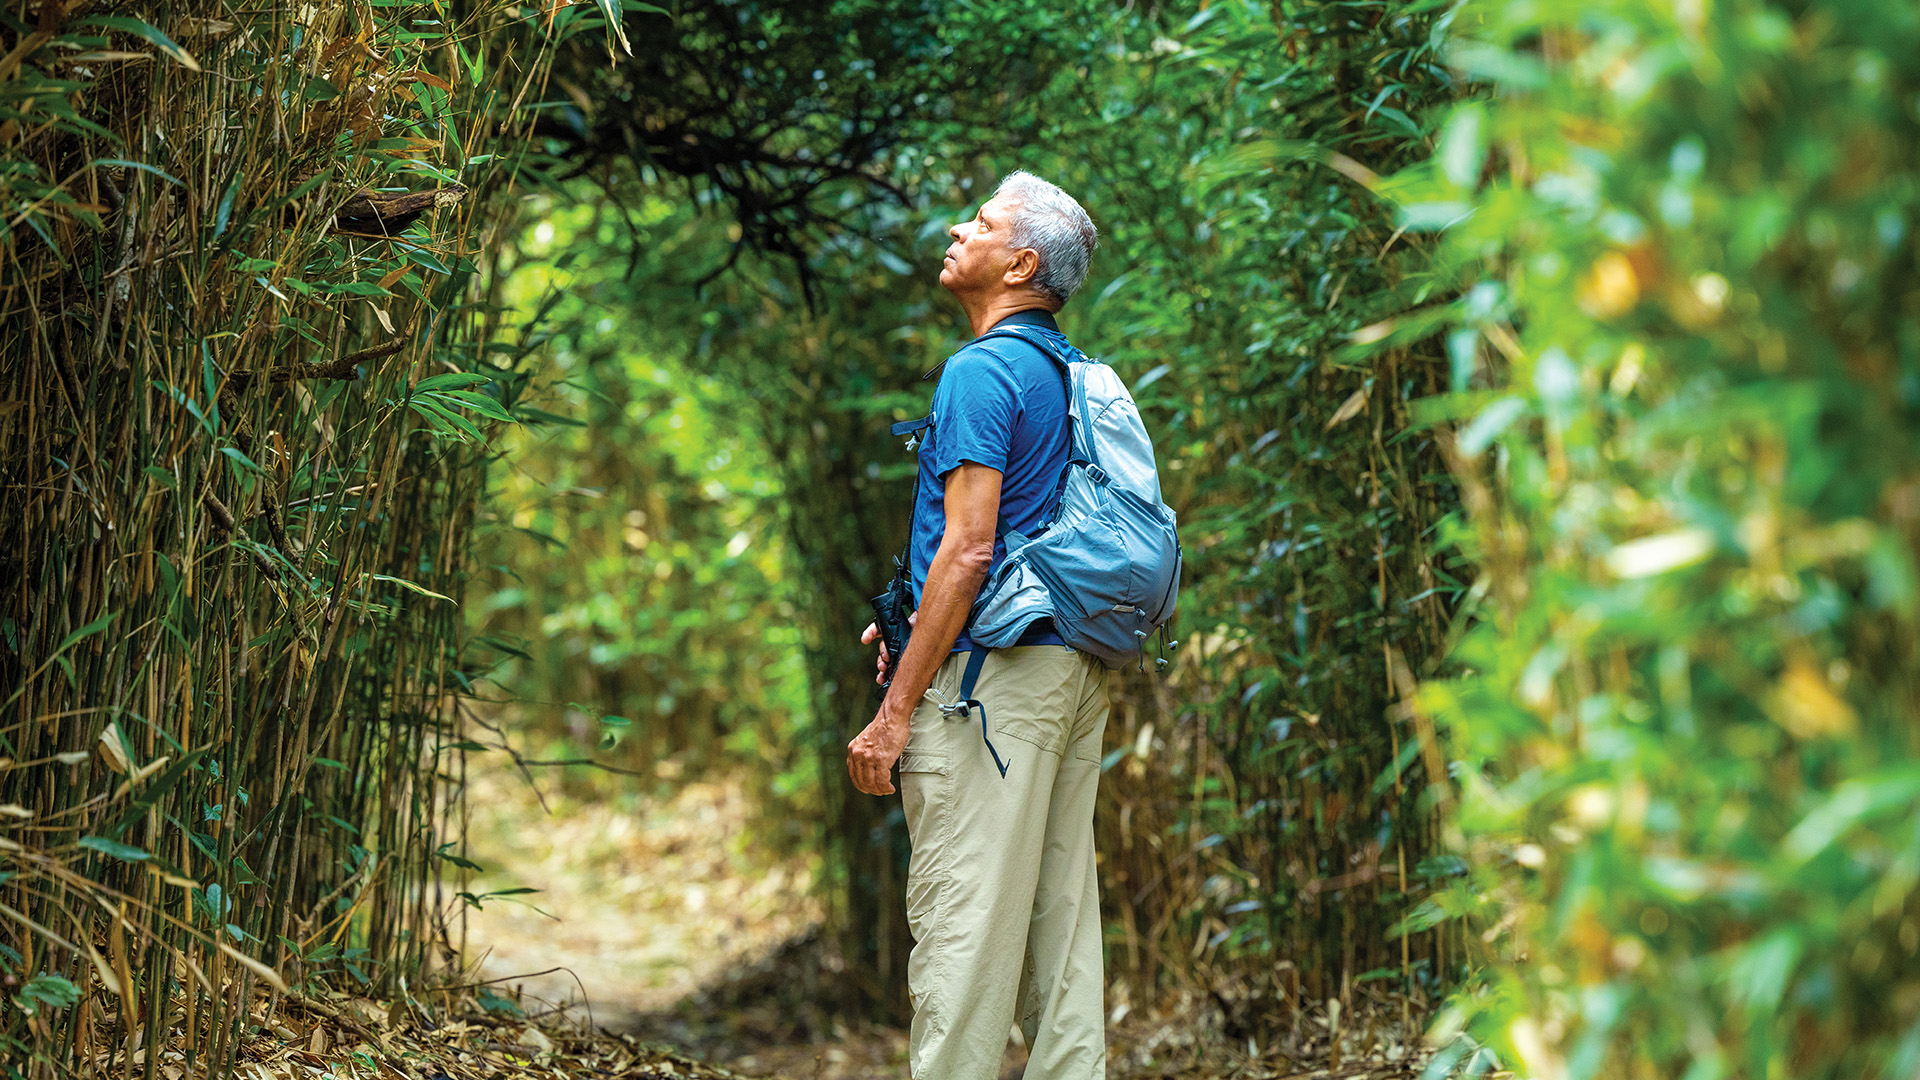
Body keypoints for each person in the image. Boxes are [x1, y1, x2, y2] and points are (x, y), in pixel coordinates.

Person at [848, 171, 1108, 1080]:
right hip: (1066, 671)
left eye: (985, 222)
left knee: (963, 930)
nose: (960, 228)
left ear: (1021, 264)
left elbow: (968, 551)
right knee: (1058, 935)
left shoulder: (982, 369)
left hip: (987, 690)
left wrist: (895, 711)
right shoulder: (1068, 374)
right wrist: (910, 626)